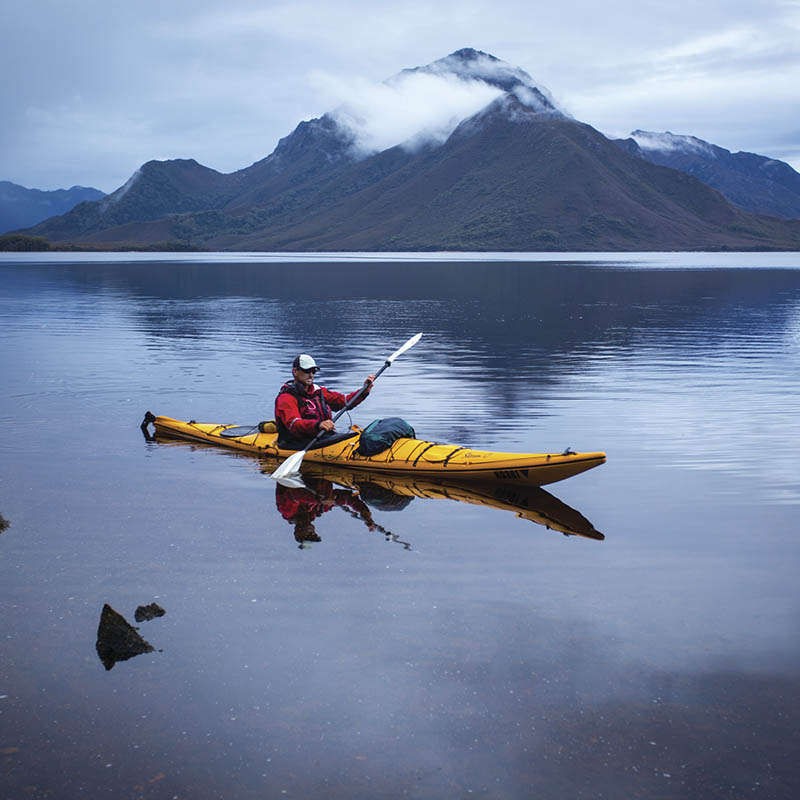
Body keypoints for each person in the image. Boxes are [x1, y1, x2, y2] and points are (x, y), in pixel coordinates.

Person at [274, 353, 375, 449]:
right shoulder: (286, 398)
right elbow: (294, 424)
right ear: (295, 372)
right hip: (296, 443)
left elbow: (345, 401)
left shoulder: (318, 391)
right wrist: (318, 425)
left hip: (322, 438)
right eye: (306, 371)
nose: (311, 375)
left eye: (313, 371)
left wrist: (363, 391)